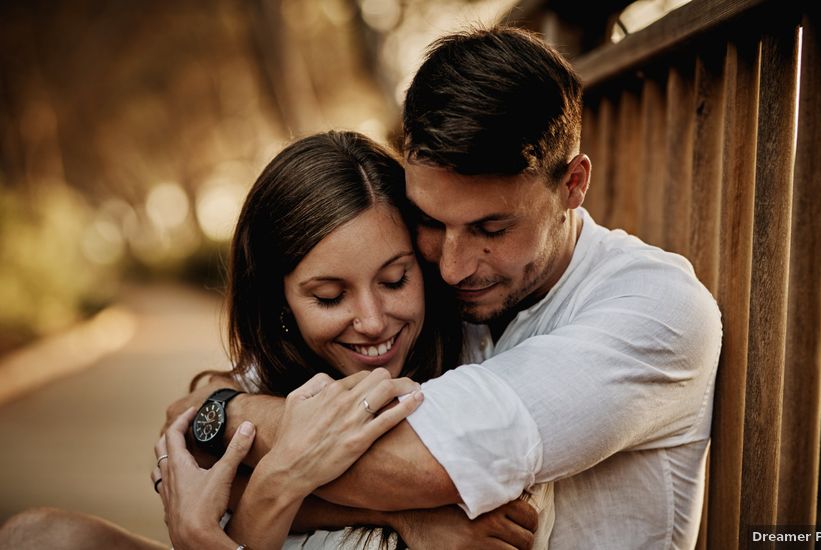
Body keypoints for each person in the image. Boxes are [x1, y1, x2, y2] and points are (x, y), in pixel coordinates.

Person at [165, 26, 723, 549]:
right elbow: (188, 458)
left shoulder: (655, 306)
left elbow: (410, 466)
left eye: (491, 229)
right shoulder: (431, 285)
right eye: (431, 220)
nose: (453, 267)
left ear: (573, 184)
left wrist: (223, 413)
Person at [0, 132, 539, 550]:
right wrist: (290, 483)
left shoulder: (482, 357)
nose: (372, 321)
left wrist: (259, 470)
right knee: (36, 536)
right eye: (329, 297)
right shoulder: (274, 375)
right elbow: (188, 435)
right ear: (280, 302)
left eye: (395, 280)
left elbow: (204, 443)